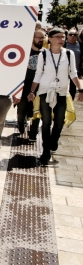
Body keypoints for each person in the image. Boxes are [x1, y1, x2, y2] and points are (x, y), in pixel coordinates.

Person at [28, 27, 83, 166]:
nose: (61, 39)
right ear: (50, 39)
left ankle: (54, 141)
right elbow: (38, 74)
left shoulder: (69, 54)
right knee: (46, 122)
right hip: (45, 91)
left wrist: (81, 89)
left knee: (59, 122)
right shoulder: (44, 55)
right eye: (58, 37)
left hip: (62, 92)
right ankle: (46, 151)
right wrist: (32, 91)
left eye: (63, 37)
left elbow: (73, 73)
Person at [13, 30, 44, 140]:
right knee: (21, 111)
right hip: (24, 86)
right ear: (32, 38)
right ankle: (21, 125)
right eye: (38, 37)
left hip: (39, 87)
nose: (41, 40)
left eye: (43, 37)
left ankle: (33, 133)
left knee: (37, 111)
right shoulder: (25, 52)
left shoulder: (45, 53)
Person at [66, 28, 82, 99]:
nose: (72, 36)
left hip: (75, 70)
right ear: (67, 36)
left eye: (75, 35)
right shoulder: (63, 44)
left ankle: (71, 102)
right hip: (63, 70)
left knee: (72, 89)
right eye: (70, 34)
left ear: (77, 36)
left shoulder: (81, 45)